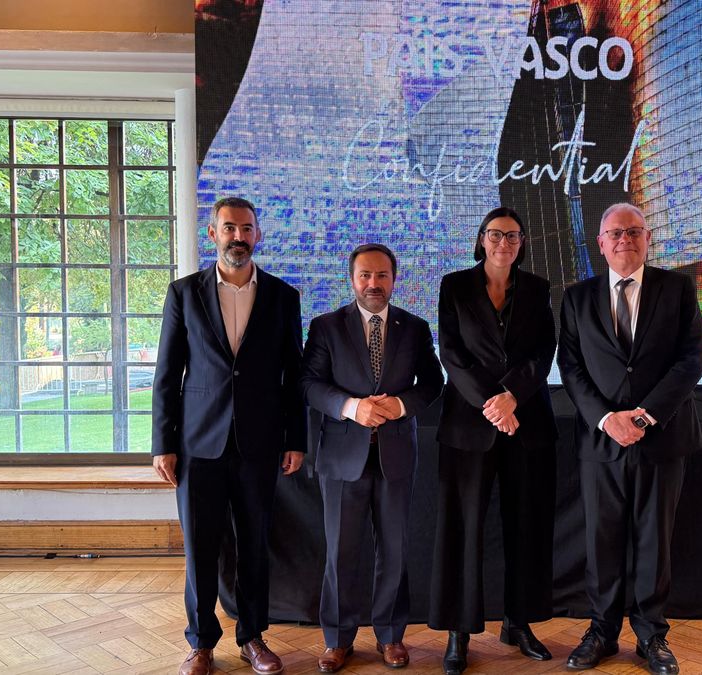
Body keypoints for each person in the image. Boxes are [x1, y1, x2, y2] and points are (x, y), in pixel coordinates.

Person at [152, 196, 305, 675]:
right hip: (199, 445)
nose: (238, 237)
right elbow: (166, 373)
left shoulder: (283, 297)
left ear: (258, 234)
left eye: (246, 228)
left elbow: (293, 375)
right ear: (213, 234)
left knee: (255, 545)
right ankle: (200, 643)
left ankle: (253, 637)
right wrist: (163, 443)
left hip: (260, 445)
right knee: (200, 548)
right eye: (229, 228)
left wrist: (295, 438)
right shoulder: (183, 294)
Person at [557, 203, 702, 675]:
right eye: (615, 233)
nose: (625, 239)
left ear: (647, 239)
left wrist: (643, 418)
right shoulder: (576, 297)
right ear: (600, 243)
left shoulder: (677, 289)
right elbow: (571, 367)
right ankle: (601, 632)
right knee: (601, 543)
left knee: (653, 542)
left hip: (660, 440)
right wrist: (606, 419)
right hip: (601, 443)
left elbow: (691, 360)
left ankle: (650, 637)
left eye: (634, 231)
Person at [302, 243, 445, 673]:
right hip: (342, 457)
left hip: (396, 455)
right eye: (365, 275)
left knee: (395, 550)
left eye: (382, 275)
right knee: (341, 552)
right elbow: (309, 384)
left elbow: (433, 382)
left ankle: (390, 636)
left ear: (394, 279)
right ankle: (338, 639)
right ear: (352, 279)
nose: (373, 284)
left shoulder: (415, 328)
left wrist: (399, 407)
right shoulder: (326, 326)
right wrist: (352, 407)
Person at [429, 207, 558, 675]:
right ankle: (459, 633)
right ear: (481, 239)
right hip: (468, 426)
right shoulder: (454, 286)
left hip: (527, 426)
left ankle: (517, 623)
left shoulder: (539, 289)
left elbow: (544, 351)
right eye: (495, 234)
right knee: (461, 530)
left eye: (513, 236)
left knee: (526, 526)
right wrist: (491, 402)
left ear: (522, 243)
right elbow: (452, 353)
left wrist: (511, 399)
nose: (504, 242)